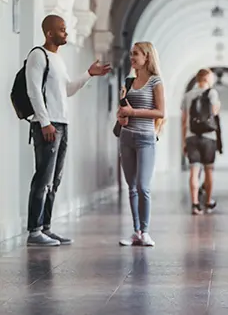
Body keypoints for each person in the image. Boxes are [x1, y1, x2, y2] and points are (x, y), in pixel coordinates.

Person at [25, 14, 111, 246]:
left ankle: (46, 227)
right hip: (48, 124)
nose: (66, 33)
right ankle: (34, 231)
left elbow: (67, 90)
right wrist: (44, 122)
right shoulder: (38, 55)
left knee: (55, 179)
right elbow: (33, 91)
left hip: (62, 123)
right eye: (62, 29)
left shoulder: (58, 60)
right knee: (43, 177)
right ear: (49, 33)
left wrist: (88, 74)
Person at [116, 42, 165, 247]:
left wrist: (133, 113)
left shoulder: (156, 82)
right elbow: (122, 109)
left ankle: (145, 231)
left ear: (147, 57)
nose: (132, 58)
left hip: (146, 138)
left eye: (135, 54)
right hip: (126, 137)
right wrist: (121, 116)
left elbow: (161, 112)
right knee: (132, 187)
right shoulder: (128, 80)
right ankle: (136, 231)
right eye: (130, 54)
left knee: (143, 186)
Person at [181, 69, 220, 215]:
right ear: (207, 78)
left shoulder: (187, 95)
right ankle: (208, 202)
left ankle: (195, 204)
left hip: (191, 136)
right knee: (209, 170)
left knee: (194, 171)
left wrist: (183, 141)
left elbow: (184, 120)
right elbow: (215, 112)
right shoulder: (212, 93)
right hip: (209, 137)